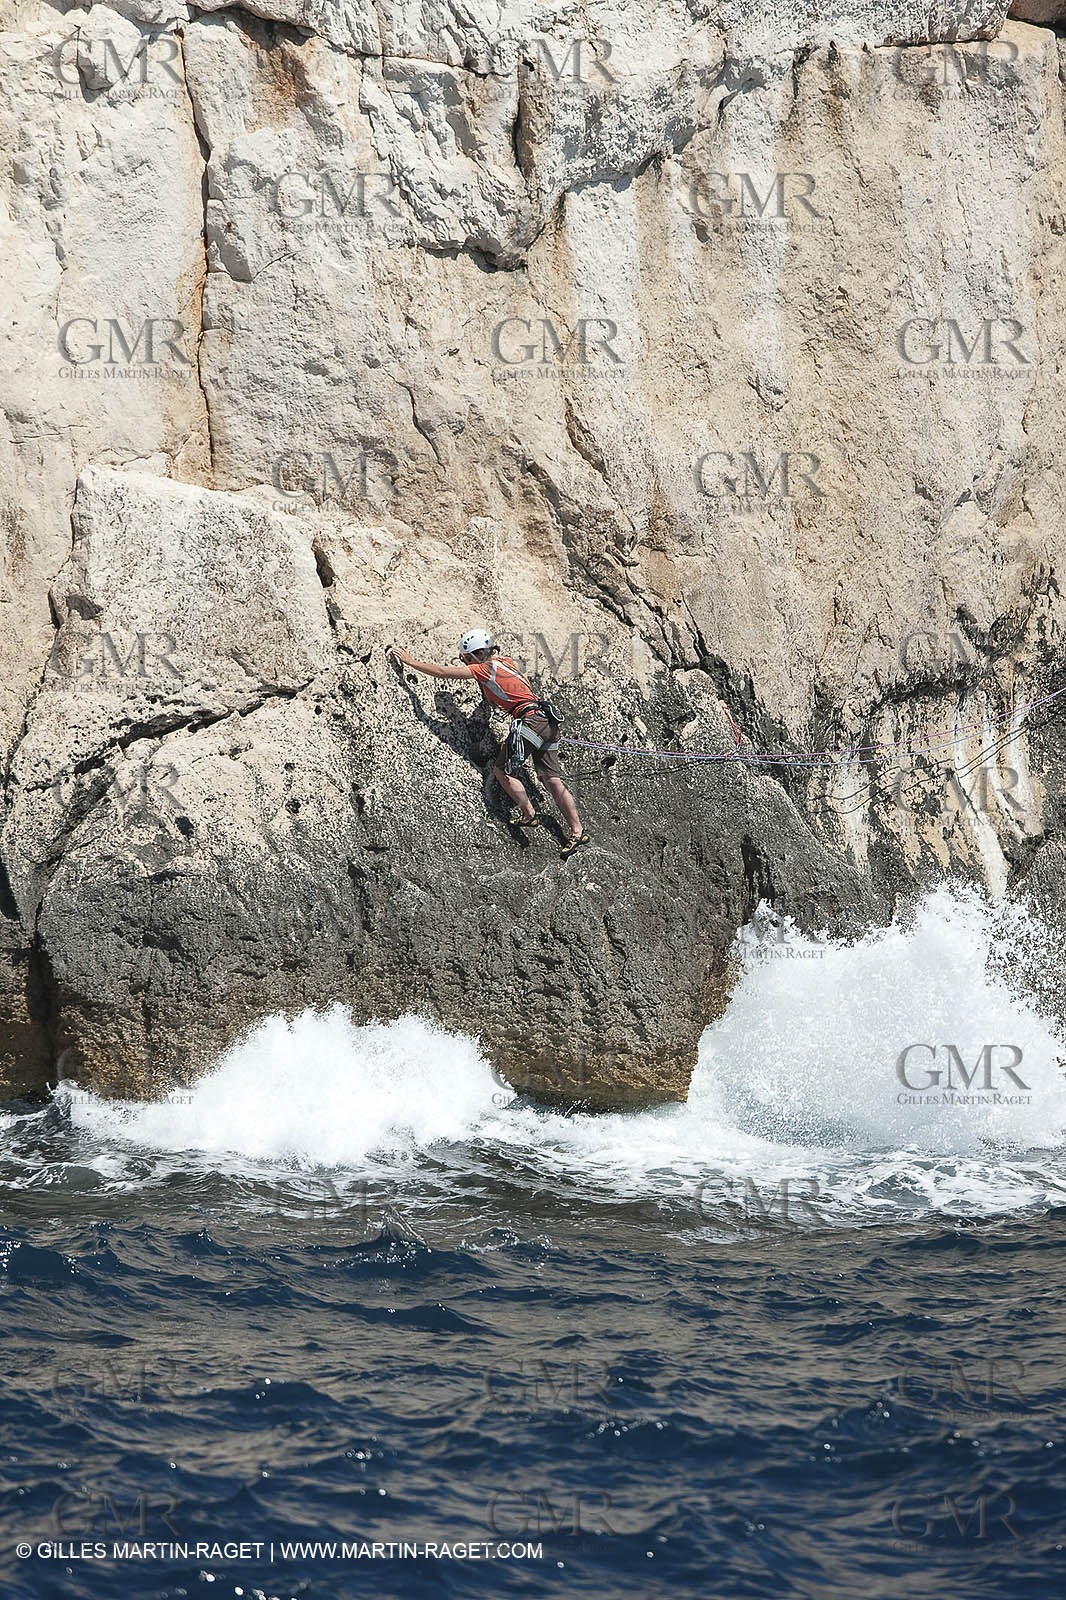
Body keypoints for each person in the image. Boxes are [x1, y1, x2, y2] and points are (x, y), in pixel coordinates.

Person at [388, 630, 591, 859]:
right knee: (552, 780)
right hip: (546, 720)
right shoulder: (506, 662)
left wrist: (410, 661)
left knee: (502, 770)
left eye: (466, 659)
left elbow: (442, 672)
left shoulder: (482, 668)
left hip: (529, 721)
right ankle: (577, 830)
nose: (466, 663)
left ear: (475, 655)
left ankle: (529, 815)